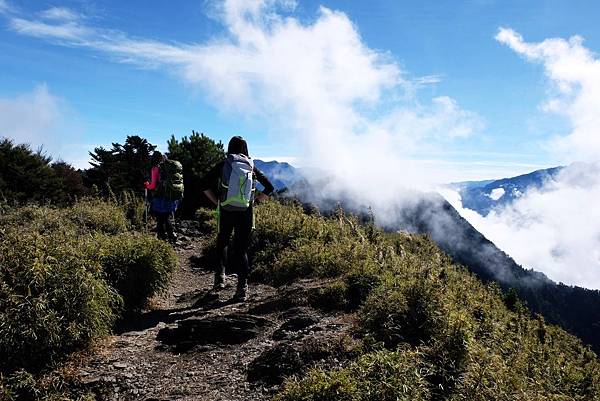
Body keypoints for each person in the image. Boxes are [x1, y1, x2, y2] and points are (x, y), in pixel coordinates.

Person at [200, 136, 274, 302]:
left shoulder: (224, 164)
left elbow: (203, 184)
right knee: (241, 250)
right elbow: (270, 187)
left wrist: (217, 202)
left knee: (222, 242)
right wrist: (254, 202)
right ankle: (242, 288)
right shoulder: (252, 167)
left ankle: (220, 278)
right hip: (245, 212)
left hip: (226, 210)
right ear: (245, 149)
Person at [144, 151, 181, 243]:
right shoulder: (169, 169)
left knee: (160, 219)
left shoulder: (155, 168)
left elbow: (152, 186)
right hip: (171, 197)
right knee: (165, 217)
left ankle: (162, 240)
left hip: (160, 198)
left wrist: (147, 185)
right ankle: (172, 235)